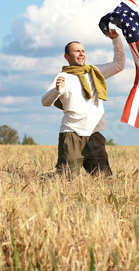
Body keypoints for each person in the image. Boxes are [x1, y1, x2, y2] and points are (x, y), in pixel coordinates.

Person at [41, 29, 125, 177]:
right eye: (76, 51)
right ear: (67, 56)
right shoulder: (62, 76)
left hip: (94, 134)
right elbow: (45, 102)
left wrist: (116, 39)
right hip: (72, 133)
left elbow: (119, 64)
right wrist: (57, 90)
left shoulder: (95, 71)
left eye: (83, 51)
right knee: (65, 179)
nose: (81, 53)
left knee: (104, 179)